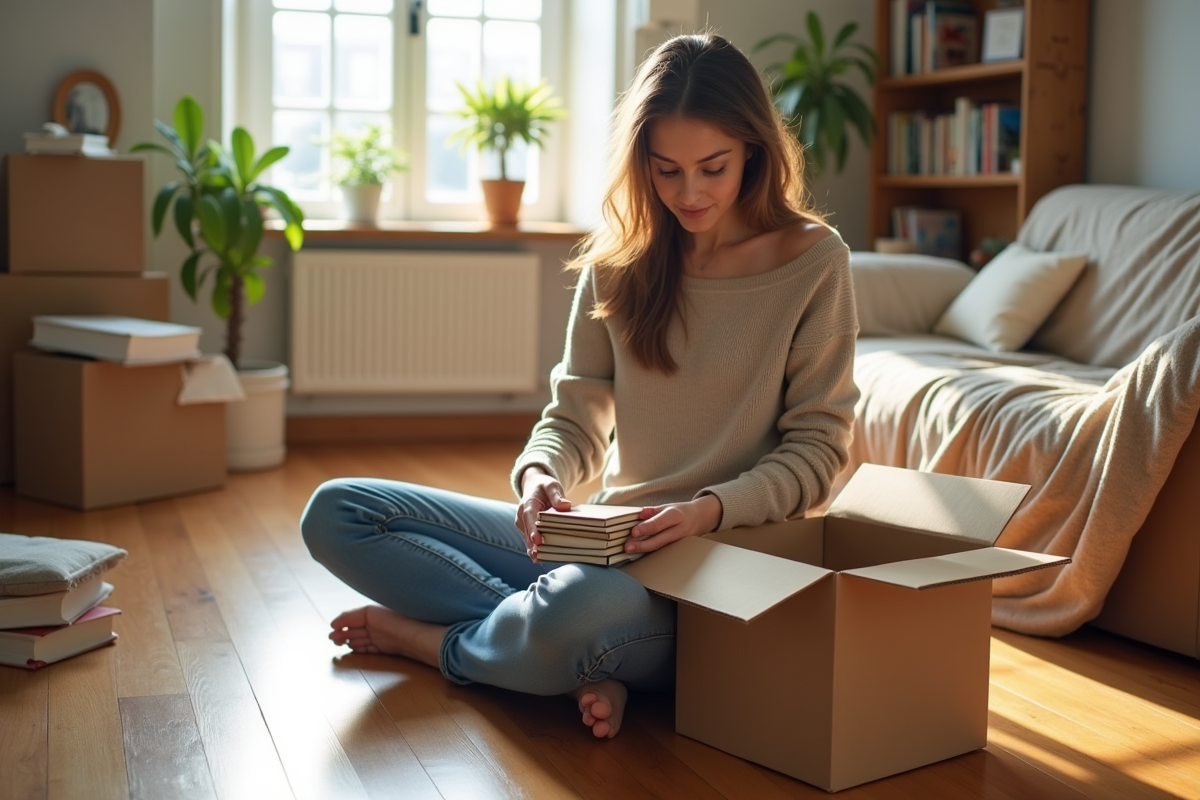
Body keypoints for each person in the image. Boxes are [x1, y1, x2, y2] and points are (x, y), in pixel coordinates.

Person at [301, 32, 859, 740]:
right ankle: (566, 658)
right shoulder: (621, 260)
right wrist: (540, 475)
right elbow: (575, 413)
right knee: (338, 512)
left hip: (721, 576)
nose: (689, 193)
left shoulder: (815, 262)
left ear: (753, 149)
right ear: (642, 161)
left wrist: (707, 511)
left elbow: (819, 450)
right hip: (606, 545)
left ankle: (436, 643)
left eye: (712, 168)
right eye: (666, 170)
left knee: (573, 611)